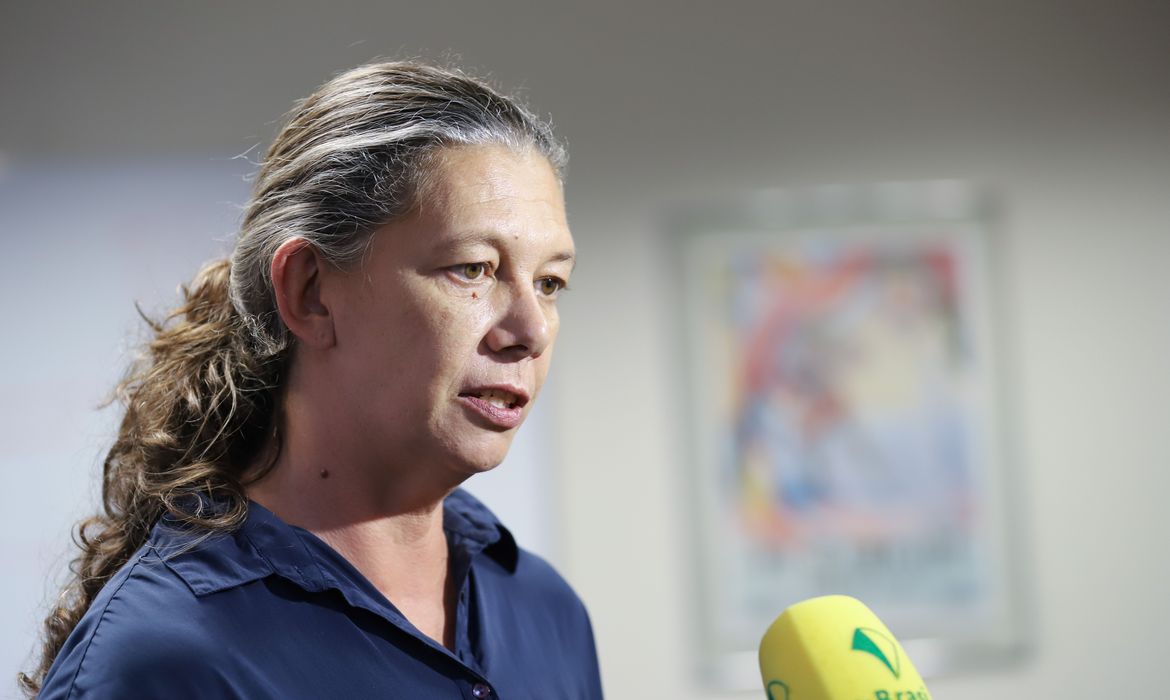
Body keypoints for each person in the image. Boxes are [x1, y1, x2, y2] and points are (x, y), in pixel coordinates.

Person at [21, 61, 603, 699]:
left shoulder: (546, 612)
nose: (531, 329)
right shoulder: (164, 659)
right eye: (473, 268)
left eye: (550, 282)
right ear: (310, 291)